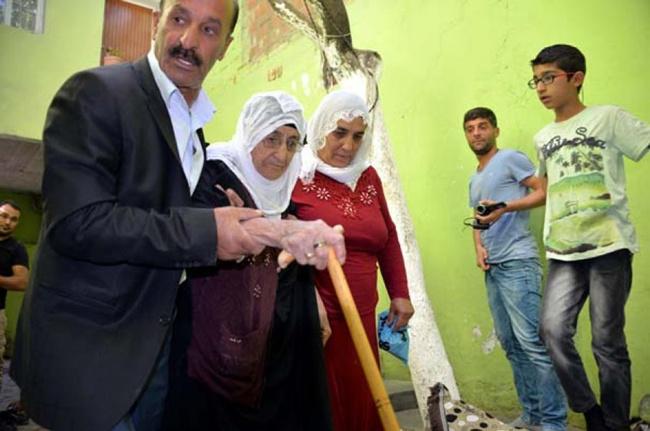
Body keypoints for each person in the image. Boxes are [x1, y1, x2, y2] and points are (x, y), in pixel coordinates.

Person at [9, 1, 345, 430]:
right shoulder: (96, 93)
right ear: (156, 22)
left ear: (225, 46)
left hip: (157, 355)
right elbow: (79, 223)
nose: (188, 41)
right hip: (93, 359)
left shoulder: (192, 127)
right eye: (179, 19)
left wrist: (266, 231)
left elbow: (166, 221)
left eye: (209, 30)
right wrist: (209, 230)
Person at [164, 91, 332, 430]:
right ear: (251, 133)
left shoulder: (285, 196)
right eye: (271, 139)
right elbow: (193, 239)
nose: (282, 155)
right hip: (216, 354)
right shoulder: (213, 176)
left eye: (291, 142)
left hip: (275, 353)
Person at [529, 44, 650, 431]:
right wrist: (504, 207)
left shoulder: (608, 118)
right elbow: (549, 188)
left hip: (609, 244)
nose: (541, 87)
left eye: (549, 77)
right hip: (562, 250)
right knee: (551, 330)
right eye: (535, 80)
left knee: (606, 341)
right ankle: (590, 412)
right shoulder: (543, 136)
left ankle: (614, 424)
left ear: (576, 78)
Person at [292, 90, 414, 431]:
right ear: (320, 130)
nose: (348, 145)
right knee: (323, 403)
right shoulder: (296, 177)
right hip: (318, 318)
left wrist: (400, 293)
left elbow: (387, 239)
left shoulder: (369, 178)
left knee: (365, 396)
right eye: (339, 132)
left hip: (361, 312)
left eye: (358, 136)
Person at [463, 107, 566, 431]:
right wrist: (479, 247)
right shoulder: (475, 177)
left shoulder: (509, 159)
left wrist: (506, 207)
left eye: (482, 127)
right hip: (493, 268)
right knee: (510, 343)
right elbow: (479, 217)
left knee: (533, 345)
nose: (477, 133)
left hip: (519, 262)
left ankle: (554, 422)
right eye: (470, 129)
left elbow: (544, 190)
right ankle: (531, 416)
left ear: (495, 129)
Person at [0, 200, 29, 408]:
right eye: (4, 215)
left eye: (14, 219)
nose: (8, 222)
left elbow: (21, 282)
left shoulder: (16, 249)